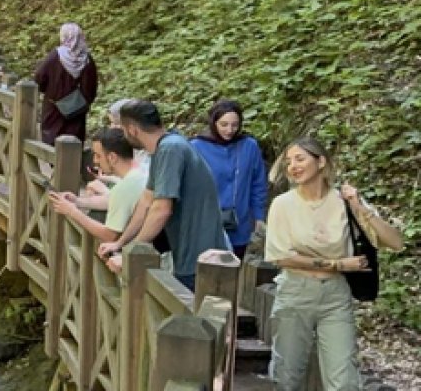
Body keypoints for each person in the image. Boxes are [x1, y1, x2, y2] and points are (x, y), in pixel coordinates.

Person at [265, 136, 402, 390]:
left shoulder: (343, 201)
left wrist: (360, 207)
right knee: (287, 375)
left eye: (299, 159)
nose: (293, 166)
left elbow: (395, 242)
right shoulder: (282, 205)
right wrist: (338, 264)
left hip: (336, 296)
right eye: (288, 162)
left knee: (344, 379)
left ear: (321, 162)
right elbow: (281, 256)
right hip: (296, 292)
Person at [98, 100, 228, 291]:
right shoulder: (162, 149)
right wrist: (121, 243)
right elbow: (146, 201)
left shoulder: (170, 149)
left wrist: (131, 255)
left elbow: (161, 209)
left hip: (199, 258)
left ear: (132, 129)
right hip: (185, 254)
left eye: (123, 130)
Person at [190, 100, 269, 259]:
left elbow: (258, 184)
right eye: (224, 124)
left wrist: (259, 216)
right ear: (214, 122)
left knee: (236, 267)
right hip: (207, 223)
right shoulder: (196, 147)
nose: (230, 130)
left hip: (240, 222)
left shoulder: (249, 146)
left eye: (235, 125)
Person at [49, 128, 149, 242]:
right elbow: (113, 200)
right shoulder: (140, 172)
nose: (95, 161)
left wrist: (72, 212)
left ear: (112, 157)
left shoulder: (125, 187)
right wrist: (77, 201)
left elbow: (109, 235)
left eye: (98, 155)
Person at [33, 23, 98, 145]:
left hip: (54, 109)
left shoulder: (55, 56)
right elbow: (92, 88)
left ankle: (54, 164)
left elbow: (39, 78)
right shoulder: (87, 59)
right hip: (77, 113)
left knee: (52, 144)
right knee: (74, 143)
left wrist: (49, 91)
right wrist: (83, 102)